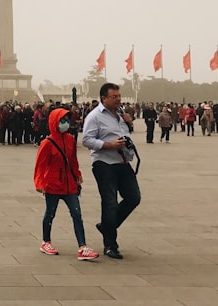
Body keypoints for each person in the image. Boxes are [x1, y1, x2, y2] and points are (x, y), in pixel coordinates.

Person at [82, 83, 140, 260]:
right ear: (103, 98)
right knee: (110, 202)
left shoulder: (121, 115)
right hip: (103, 162)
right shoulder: (95, 117)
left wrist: (129, 124)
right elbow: (86, 140)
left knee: (133, 197)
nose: (118, 99)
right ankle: (110, 245)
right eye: (114, 97)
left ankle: (107, 226)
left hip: (122, 161)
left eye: (119, 96)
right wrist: (108, 145)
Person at [34, 107, 99, 261]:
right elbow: (40, 165)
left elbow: (73, 160)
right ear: (54, 122)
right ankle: (46, 241)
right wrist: (40, 183)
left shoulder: (70, 139)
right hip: (53, 184)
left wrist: (77, 174)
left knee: (77, 214)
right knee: (50, 213)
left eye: (67, 120)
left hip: (69, 184)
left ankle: (82, 247)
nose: (65, 123)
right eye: (62, 120)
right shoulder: (47, 143)